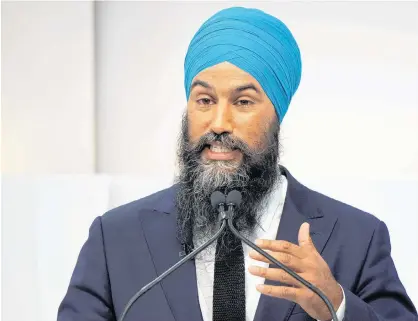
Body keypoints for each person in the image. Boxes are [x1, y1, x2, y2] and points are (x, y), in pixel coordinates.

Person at [57, 6, 417, 321]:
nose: (218, 123)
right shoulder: (117, 238)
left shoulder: (356, 238)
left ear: (277, 115)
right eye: (204, 100)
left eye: (243, 102)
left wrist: (337, 305)